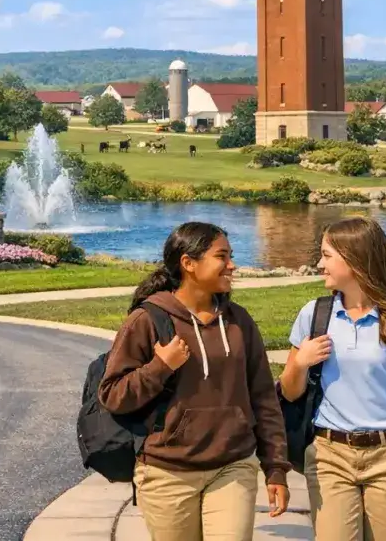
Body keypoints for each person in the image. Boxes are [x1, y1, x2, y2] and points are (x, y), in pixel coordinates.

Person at [98, 222, 290, 541]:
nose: (232, 265)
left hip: (232, 465)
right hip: (166, 472)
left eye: (231, 256)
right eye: (222, 256)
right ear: (188, 263)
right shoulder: (147, 320)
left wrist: (276, 467)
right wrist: (160, 367)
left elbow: (264, 398)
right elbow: (113, 395)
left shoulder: (239, 321)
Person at [279, 217, 386, 541]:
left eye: (326, 255)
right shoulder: (314, 315)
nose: (319, 263)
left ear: (354, 260)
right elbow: (289, 391)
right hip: (329, 456)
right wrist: (301, 363)